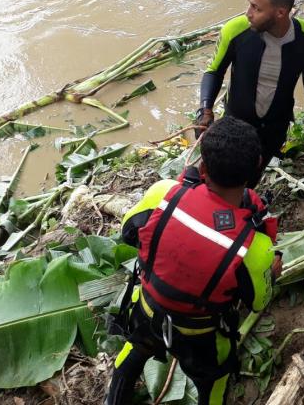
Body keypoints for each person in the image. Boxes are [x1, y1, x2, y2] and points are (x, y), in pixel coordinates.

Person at [106, 117, 280, 405]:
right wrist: (271, 272)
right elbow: (258, 302)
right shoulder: (256, 247)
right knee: (214, 384)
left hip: (148, 311)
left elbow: (128, 233)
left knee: (131, 353)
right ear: (256, 168)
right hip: (201, 337)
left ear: (202, 168)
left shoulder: (164, 194)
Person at [196, 0, 304, 183]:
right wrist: (205, 109)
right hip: (236, 123)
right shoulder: (235, 30)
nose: (248, 13)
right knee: (223, 178)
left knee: (254, 176)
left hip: (275, 126)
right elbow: (214, 71)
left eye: (257, 8)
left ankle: (247, 201)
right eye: (249, 4)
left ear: (281, 12)